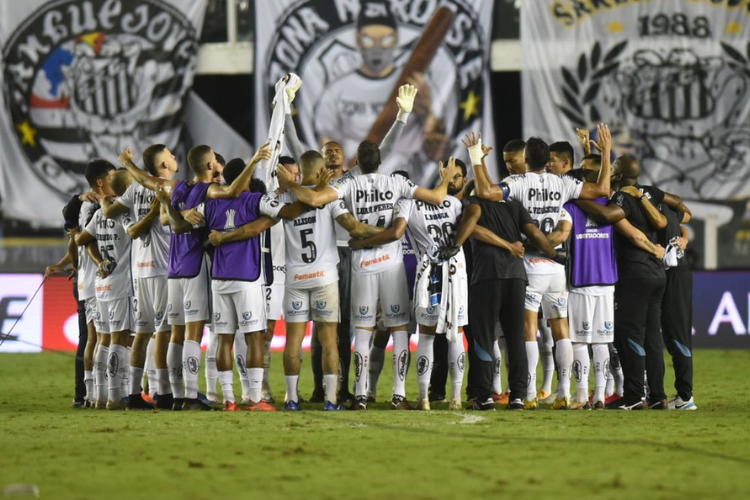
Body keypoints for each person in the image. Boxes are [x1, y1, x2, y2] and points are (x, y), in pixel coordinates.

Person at [276, 140, 461, 410]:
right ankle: (398, 395)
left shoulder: (348, 185)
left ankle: (360, 395)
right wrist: (444, 180)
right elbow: (436, 197)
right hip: (391, 265)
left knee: (362, 332)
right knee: (399, 331)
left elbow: (314, 199)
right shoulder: (396, 184)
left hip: (362, 266)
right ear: (381, 161)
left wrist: (291, 184)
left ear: (357, 164)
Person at [118, 142, 271, 410]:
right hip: (195, 265)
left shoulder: (176, 187)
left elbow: (149, 181)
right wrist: (255, 160)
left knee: (175, 335)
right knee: (192, 336)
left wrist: (129, 166)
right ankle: (189, 396)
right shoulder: (208, 190)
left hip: (173, 268)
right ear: (211, 166)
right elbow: (234, 189)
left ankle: (175, 397)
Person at [469, 125, 611, 410]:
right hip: (556, 267)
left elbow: (485, 191)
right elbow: (603, 189)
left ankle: (530, 393)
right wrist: (605, 153)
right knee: (561, 330)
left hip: (529, 265)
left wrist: (476, 158)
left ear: (526, 159)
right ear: (547, 161)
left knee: (528, 331)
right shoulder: (563, 183)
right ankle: (565, 392)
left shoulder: (518, 182)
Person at [349, 160, 469, 411]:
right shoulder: (454, 203)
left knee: (423, 337)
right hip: (448, 274)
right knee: (453, 334)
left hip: (425, 278)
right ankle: (453, 397)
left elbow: (395, 232)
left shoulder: (407, 206)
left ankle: (422, 396)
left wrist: (359, 241)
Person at [443, 161, 560, 410]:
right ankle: (518, 395)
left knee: (484, 337)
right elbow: (536, 234)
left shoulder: (473, 203)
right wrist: (553, 253)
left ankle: (484, 396)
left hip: (487, 276)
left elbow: (473, 224)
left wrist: (456, 243)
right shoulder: (515, 206)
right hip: (517, 277)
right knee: (516, 336)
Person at [313, 0, 449, 185]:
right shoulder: (337, 91)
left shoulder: (418, 89)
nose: (377, 47)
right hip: (357, 191)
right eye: (369, 39)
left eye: (386, 39)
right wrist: (341, 184)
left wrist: (427, 112)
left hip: (407, 191)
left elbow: (438, 152)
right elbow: (327, 147)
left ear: (395, 39)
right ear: (358, 39)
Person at [574, 158, 669, 410]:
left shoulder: (621, 201)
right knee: (652, 338)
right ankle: (658, 396)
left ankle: (635, 395)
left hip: (636, 273)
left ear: (616, 174)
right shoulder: (646, 196)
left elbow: (612, 220)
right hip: (657, 274)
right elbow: (665, 220)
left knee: (631, 336)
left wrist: (575, 196)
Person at [101, 144, 175, 410]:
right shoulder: (164, 186)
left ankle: (133, 393)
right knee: (163, 333)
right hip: (162, 268)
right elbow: (129, 228)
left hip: (140, 270)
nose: (175, 157)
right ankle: (164, 393)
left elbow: (110, 212)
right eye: (171, 155)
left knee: (143, 333)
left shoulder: (133, 189)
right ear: (162, 164)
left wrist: (101, 197)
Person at [562, 154, 618, 410]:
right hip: (607, 281)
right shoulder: (610, 205)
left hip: (581, 281)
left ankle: (582, 395)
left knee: (580, 342)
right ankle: (600, 396)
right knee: (602, 341)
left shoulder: (570, 208)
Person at [76, 166, 134, 410]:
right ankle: (114, 397)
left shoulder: (100, 212)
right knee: (120, 340)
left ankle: (98, 397)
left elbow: (81, 239)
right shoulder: (124, 212)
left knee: (102, 340)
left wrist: (99, 261)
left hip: (101, 285)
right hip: (121, 284)